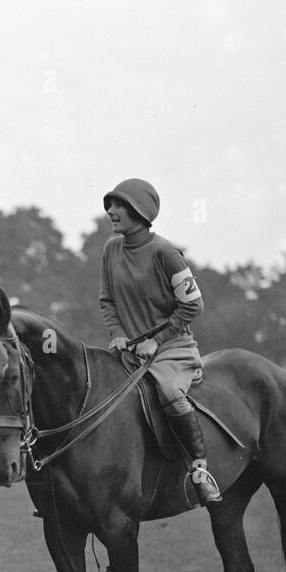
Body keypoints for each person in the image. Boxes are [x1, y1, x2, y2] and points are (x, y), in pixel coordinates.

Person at [100, 178, 217, 506]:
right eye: (110, 205)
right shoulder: (110, 250)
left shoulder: (166, 253)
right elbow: (107, 301)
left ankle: (199, 469)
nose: (111, 211)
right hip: (132, 350)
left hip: (173, 350)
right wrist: (118, 335)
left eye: (118, 204)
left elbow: (194, 305)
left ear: (139, 210)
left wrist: (158, 339)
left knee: (167, 392)